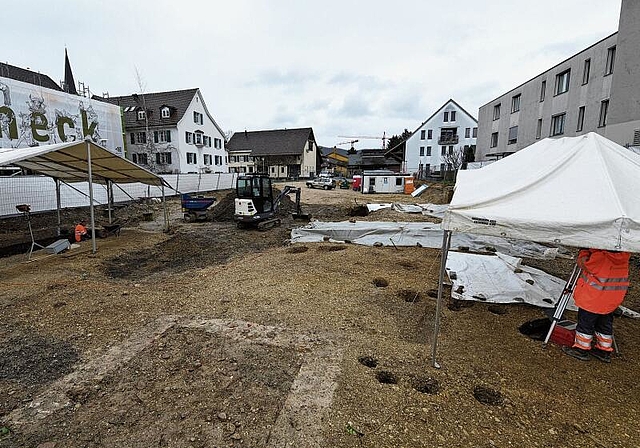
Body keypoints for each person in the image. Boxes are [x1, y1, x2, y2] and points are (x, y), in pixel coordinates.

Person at [563, 248, 631, 363]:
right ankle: (604, 350)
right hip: (610, 300)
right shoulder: (623, 257)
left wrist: (584, 251)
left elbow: (584, 263)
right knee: (604, 325)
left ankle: (581, 348)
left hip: (592, 299)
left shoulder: (601, 256)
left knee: (585, 324)